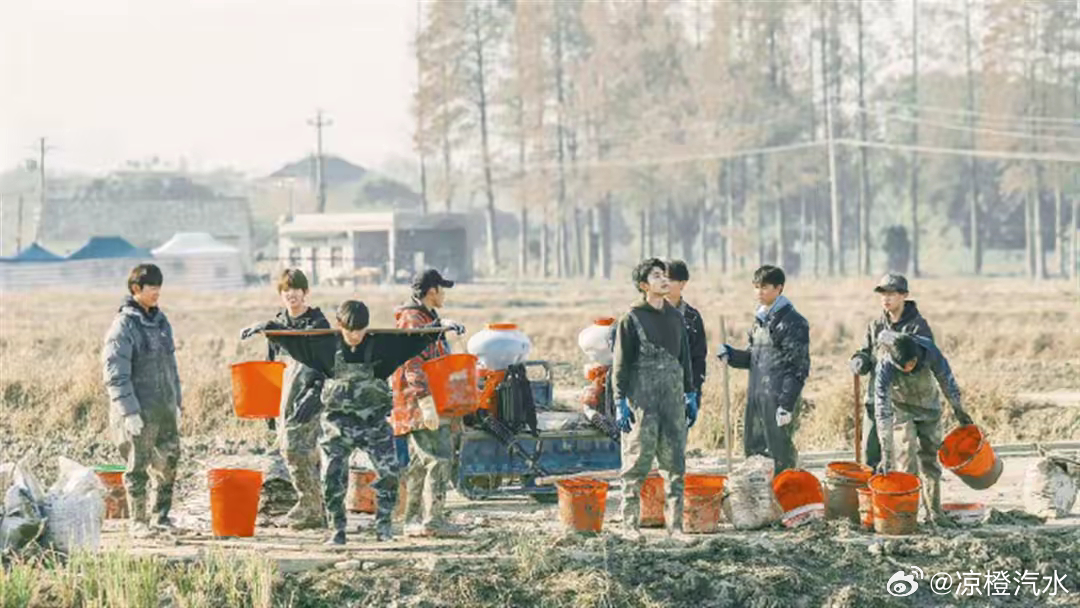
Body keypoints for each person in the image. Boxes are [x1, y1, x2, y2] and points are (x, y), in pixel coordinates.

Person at [265, 300, 462, 544]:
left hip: (373, 424)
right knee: (332, 476)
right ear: (340, 326)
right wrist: (268, 327)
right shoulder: (326, 347)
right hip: (337, 425)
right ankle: (337, 531)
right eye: (350, 330)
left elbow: (412, 342)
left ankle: (384, 529)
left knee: (389, 472)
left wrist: (439, 327)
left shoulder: (380, 348)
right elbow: (296, 343)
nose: (355, 335)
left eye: (360, 330)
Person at [612, 258, 696, 537]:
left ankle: (676, 528)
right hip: (642, 403)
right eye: (656, 275)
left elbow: (685, 359)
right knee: (635, 465)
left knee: (675, 467)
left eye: (665, 275)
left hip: (672, 403)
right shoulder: (631, 319)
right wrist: (619, 401)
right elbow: (620, 365)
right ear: (643, 285)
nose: (664, 280)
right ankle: (629, 527)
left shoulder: (675, 317)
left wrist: (691, 393)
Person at [240, 269, 330, 530]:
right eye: (285, 290)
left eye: (296, 289)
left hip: (308, 396)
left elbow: (326, 363)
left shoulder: (317, 323)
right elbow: (272, 366)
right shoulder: (278, 322)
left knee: (296, 449)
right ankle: (315, 507)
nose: (291, 294)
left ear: (305, 292)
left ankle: (310, 506)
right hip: (284, 398)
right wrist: (268, 405)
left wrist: (316, 393)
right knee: (292, 450)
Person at [102, 263, 182, 538]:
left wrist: (177, 403)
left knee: (169, 462)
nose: (157, 292)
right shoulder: (124, 326)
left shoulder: (161, 323)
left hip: (164, 409)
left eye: (159, 287)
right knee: (137, 467)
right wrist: (128, 412)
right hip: (139, 410)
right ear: (136, 289)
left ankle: (161, 516)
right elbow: (115, 373)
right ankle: (138, 521)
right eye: (151, 287)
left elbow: (171, 366)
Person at [391, 269, 466, 538]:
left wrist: (442, 326)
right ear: (431, 291)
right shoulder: (413, 319)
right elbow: (412, 362)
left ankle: (412, 519)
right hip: (419, 402)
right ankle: (433, 520)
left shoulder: (424, 317)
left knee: (419, 462)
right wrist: (424, 401)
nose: (443, 294)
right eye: (441, 289)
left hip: (426, 400)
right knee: (438, 458)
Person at [872, 331, 974, 524]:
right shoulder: (885, 366)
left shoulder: (928, 350)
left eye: (911, 364)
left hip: (929, 407)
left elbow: (947, 381)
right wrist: (885, 452)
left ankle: (934, 512)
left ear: (916, 357)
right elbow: (882, 411)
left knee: (930, 459)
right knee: (906, 456)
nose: (909, 368)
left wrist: (959, 410)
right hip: (901, 410)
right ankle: (908, 514)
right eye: (903, 367)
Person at [718, 265, 810, 475]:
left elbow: (798, 367)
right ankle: (760, 505)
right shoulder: (760, 320)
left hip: (778, 399)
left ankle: (786, 503)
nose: (759, 292)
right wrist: (731, 355)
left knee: (781, 456)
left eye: (765, 287)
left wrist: (786, 405)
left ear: (779, 288)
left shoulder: (792, 322)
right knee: (755, 455)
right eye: (757, 287)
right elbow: (754, 359)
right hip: (757, 396)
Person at [848, 273, 934, 470]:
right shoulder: (875, 325)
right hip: (875, 401)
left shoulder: (918, 327)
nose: (885, 299)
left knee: (902, 460)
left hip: (903, 405)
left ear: (904, 295)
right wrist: (859, 360)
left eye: (891, 294)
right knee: (870, 457)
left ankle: (901, 498)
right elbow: (866, 352)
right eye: (882, 294)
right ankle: (871, 499)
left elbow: (923, 360)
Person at [665, 260, 707, 402]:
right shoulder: (646, 314)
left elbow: (699, 356)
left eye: (670, 279)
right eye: (660, 278)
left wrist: (694, 390)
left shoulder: (692, 317)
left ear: (682, 283)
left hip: (683, 390)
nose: (664, 283)